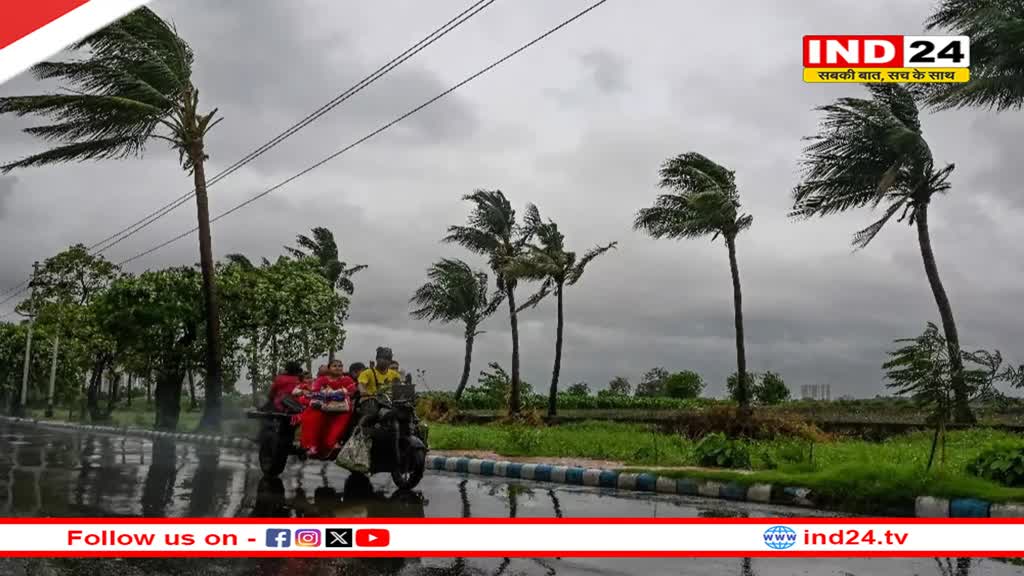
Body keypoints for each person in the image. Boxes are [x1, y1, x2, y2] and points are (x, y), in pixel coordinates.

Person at [295, 360, 357, 458]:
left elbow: (352, 392)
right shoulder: (321, 380)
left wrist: (339, 394)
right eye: (334, 366)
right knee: (313, 413)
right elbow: (315, 391)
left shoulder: (348, 380)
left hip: (342, 409)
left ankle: (333, 443)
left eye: (340, 366)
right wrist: (331, 394)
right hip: (324, 408)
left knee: (344, 418)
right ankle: (312, 445)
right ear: (329, 369)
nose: (338, 368)